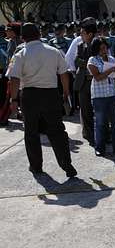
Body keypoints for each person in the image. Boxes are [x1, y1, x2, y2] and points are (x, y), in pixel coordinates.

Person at [7, 23, 77, 177]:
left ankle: (36, 166)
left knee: (31, 132)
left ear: (22, 37)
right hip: (51, 94)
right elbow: (64, 74)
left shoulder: (20, 54)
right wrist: (65, 93)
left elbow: (14, 79)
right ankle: (67, 165)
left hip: (29, 96)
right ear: (39, 34)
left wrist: (14, 100)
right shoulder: (54, 51)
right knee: (57, 131)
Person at [87, 37, 115, 156]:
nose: (104, 50)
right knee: (100, 123)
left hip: (112, 93)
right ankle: (100, 148)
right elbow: (97, 77)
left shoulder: (112, 58)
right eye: (101, 48)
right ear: (96, 49)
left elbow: (114, 77)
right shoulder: (92, 60)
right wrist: (110, 70)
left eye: (105, 47)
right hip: (99, 96)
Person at [66, 18, 97, 145]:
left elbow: (100, 62)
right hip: (83, 81)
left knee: (99, 109)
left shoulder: (99, 44)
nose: (80, 35)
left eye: (82, 33)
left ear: (90, 33)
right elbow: (74, 60)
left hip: (96, 80)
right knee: (85, 109)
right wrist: (86, 65)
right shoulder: (79, 44)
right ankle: (89, 134)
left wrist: (85, 64)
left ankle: (102, 133)